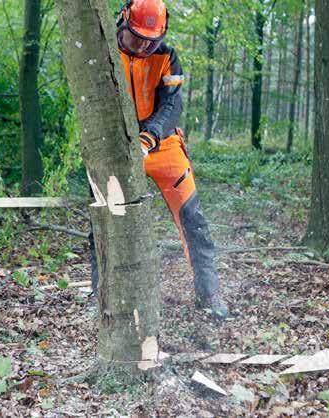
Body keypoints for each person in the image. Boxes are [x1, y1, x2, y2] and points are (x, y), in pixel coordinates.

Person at [88, 0, 229, 319]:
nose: (145, 46)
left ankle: (210, 296)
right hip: (115, 148)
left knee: (194, 220)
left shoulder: (167, 56)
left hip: (162, 145)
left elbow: (172, 106)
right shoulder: (104, 52)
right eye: (138, 38)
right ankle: (100, 294)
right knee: (102, 221)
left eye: (152, 40)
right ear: (123, 22)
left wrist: (148, 136)